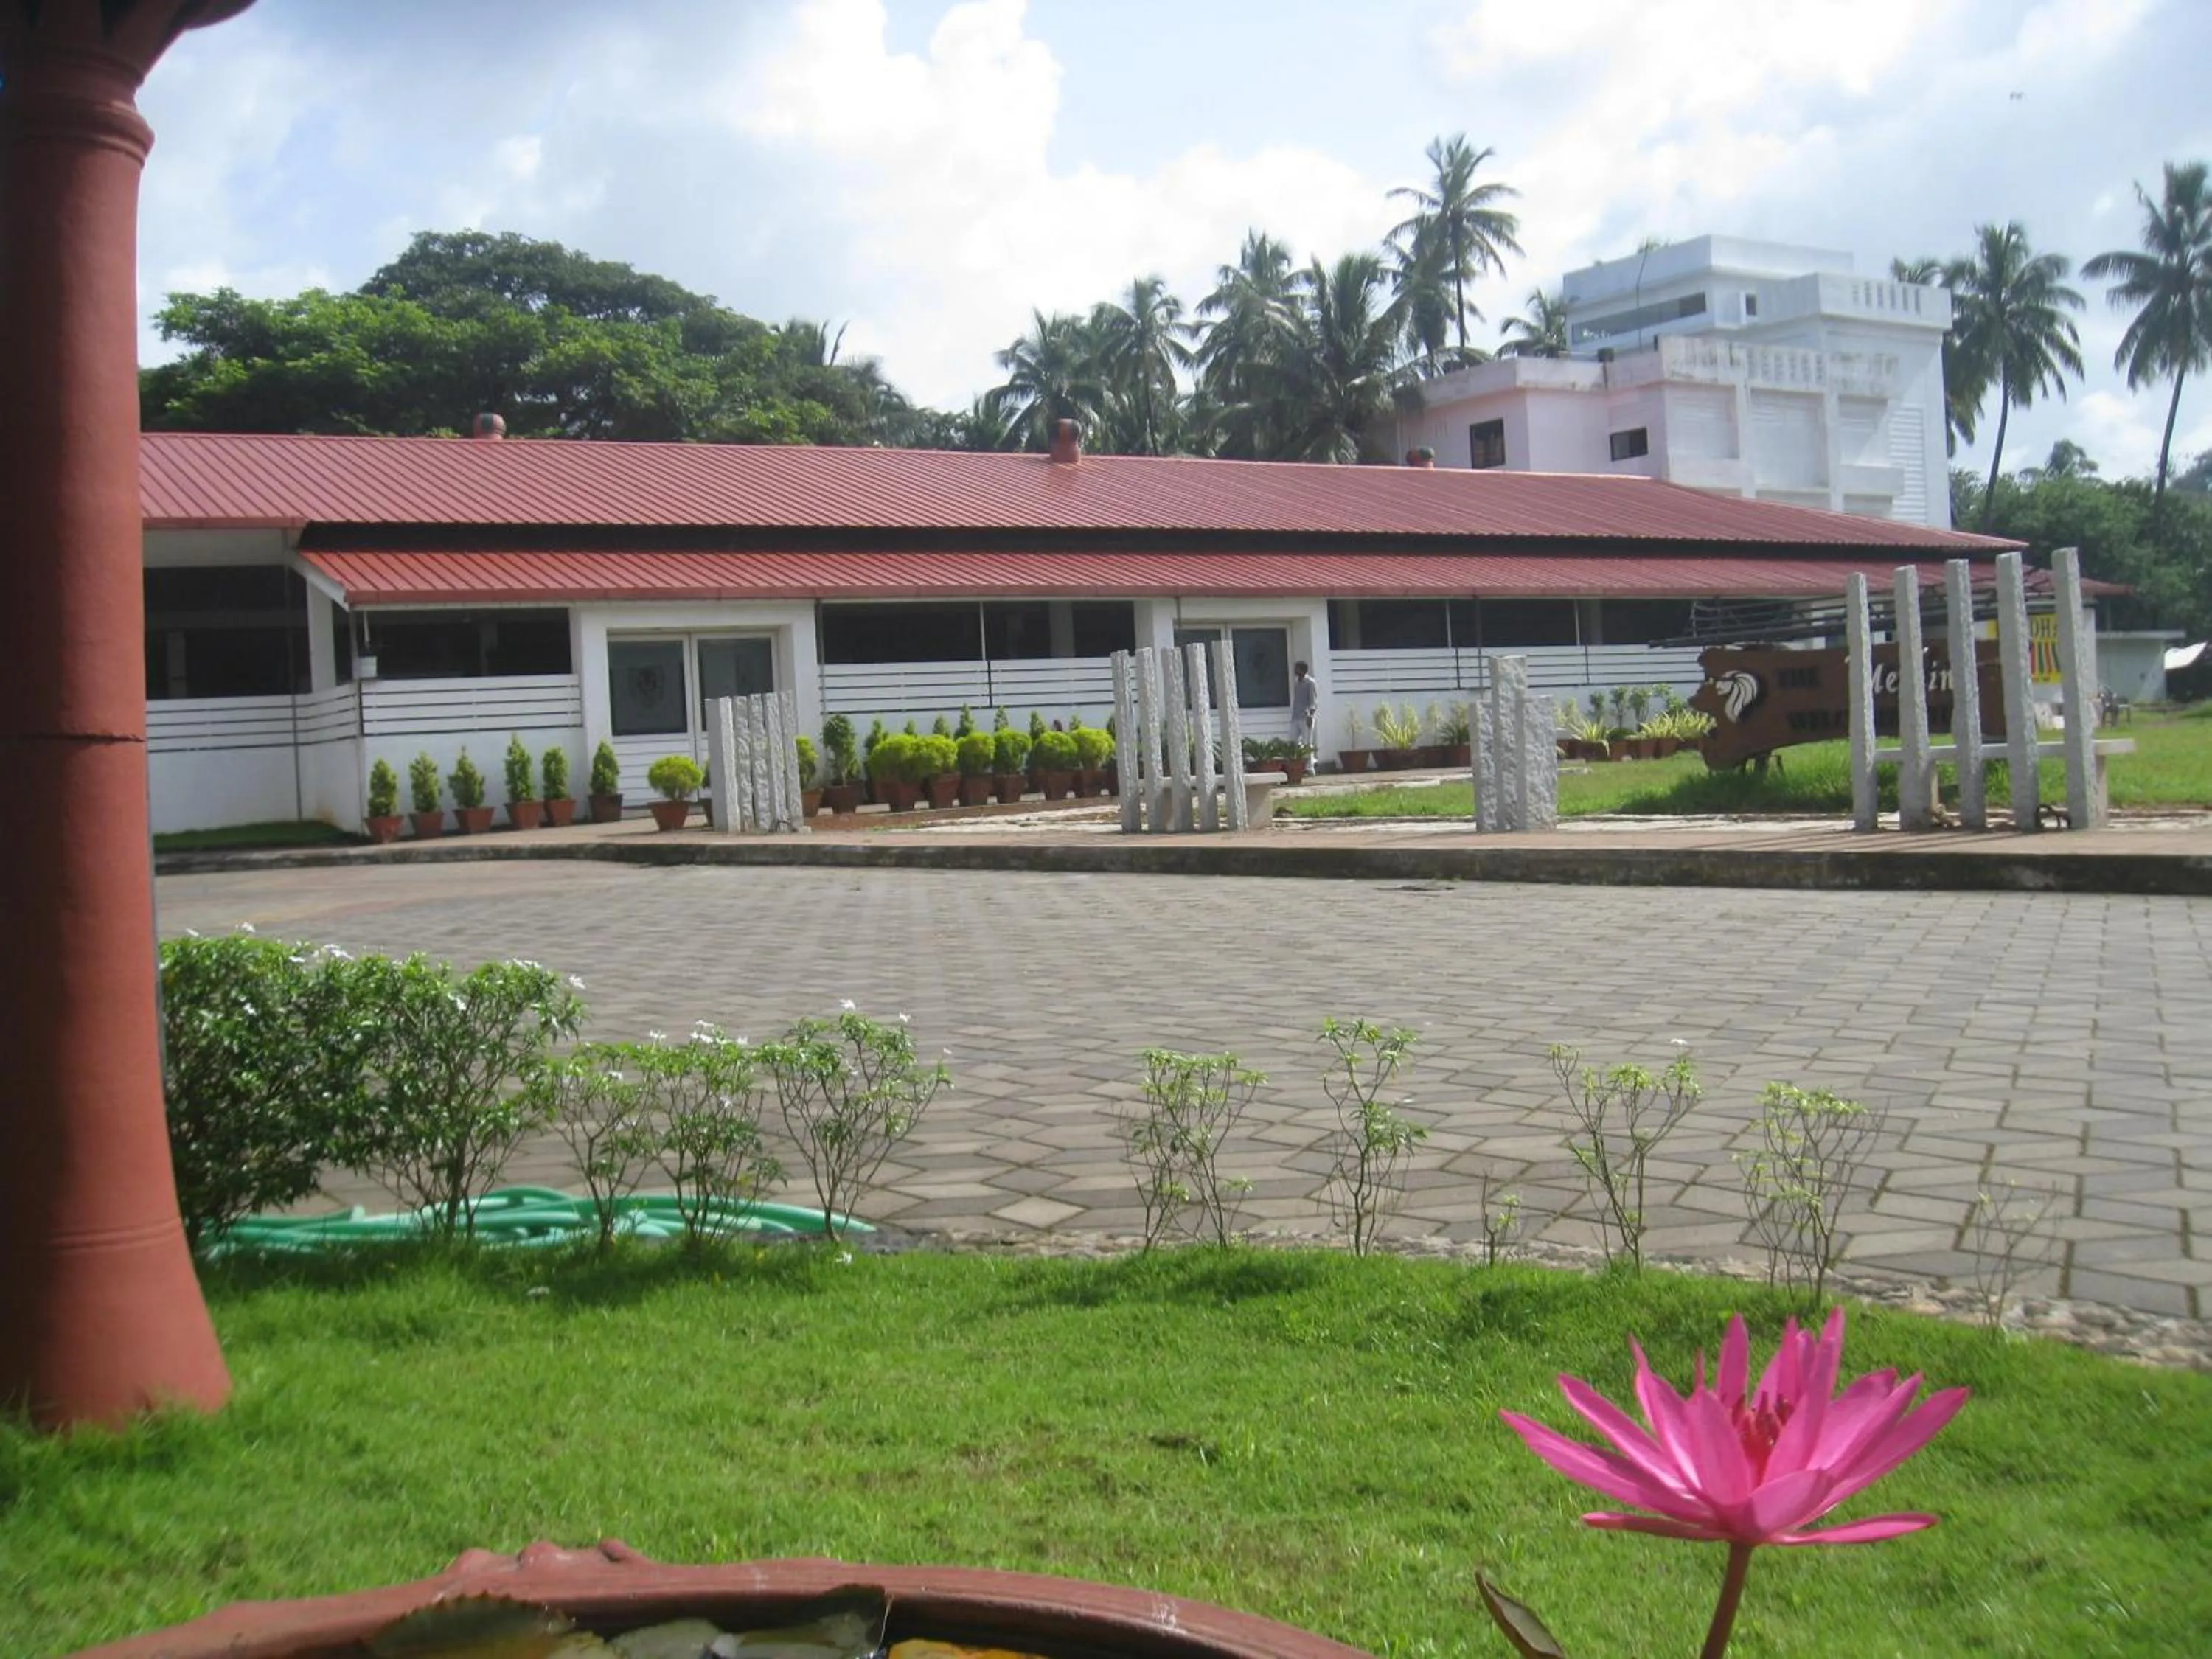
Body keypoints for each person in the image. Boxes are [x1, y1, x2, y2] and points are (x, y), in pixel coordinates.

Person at [1289, 661, 1318, 751]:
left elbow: (1313, 701)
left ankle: (1309, 765)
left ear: (1302, 670)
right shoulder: (1297, 683)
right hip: (1296, 717)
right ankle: (1298, 763)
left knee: (1307, 744)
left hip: (1306, 718)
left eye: (1296, 668)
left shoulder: (1310, 683)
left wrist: (1310, 716)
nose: (1294, 670)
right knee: (1293, 742)